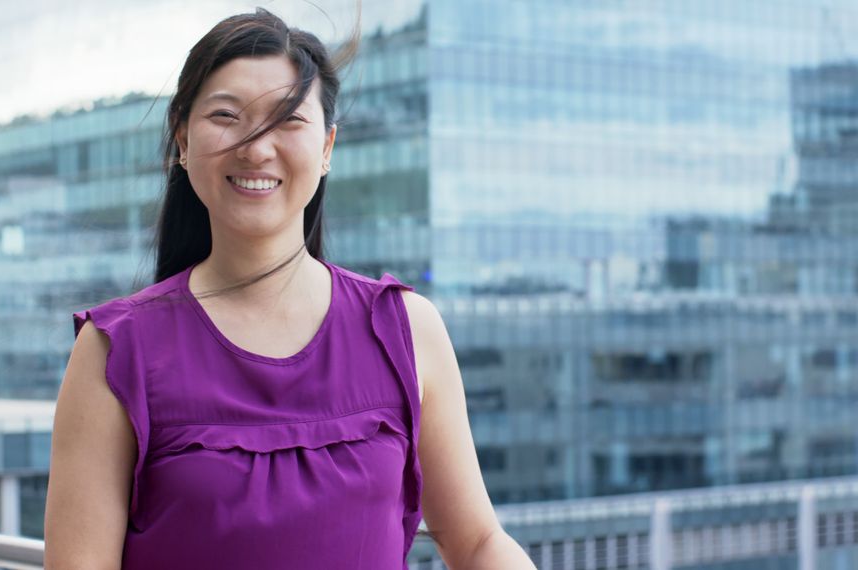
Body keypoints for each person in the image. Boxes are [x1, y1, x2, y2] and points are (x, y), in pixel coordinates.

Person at [43, 8, 535, 569]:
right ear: (182, 139)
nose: (256, 147)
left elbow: (476, 540)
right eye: (227, 115)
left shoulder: (406, 329)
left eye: (287, 120)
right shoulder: (115, 351)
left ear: (327, 148)